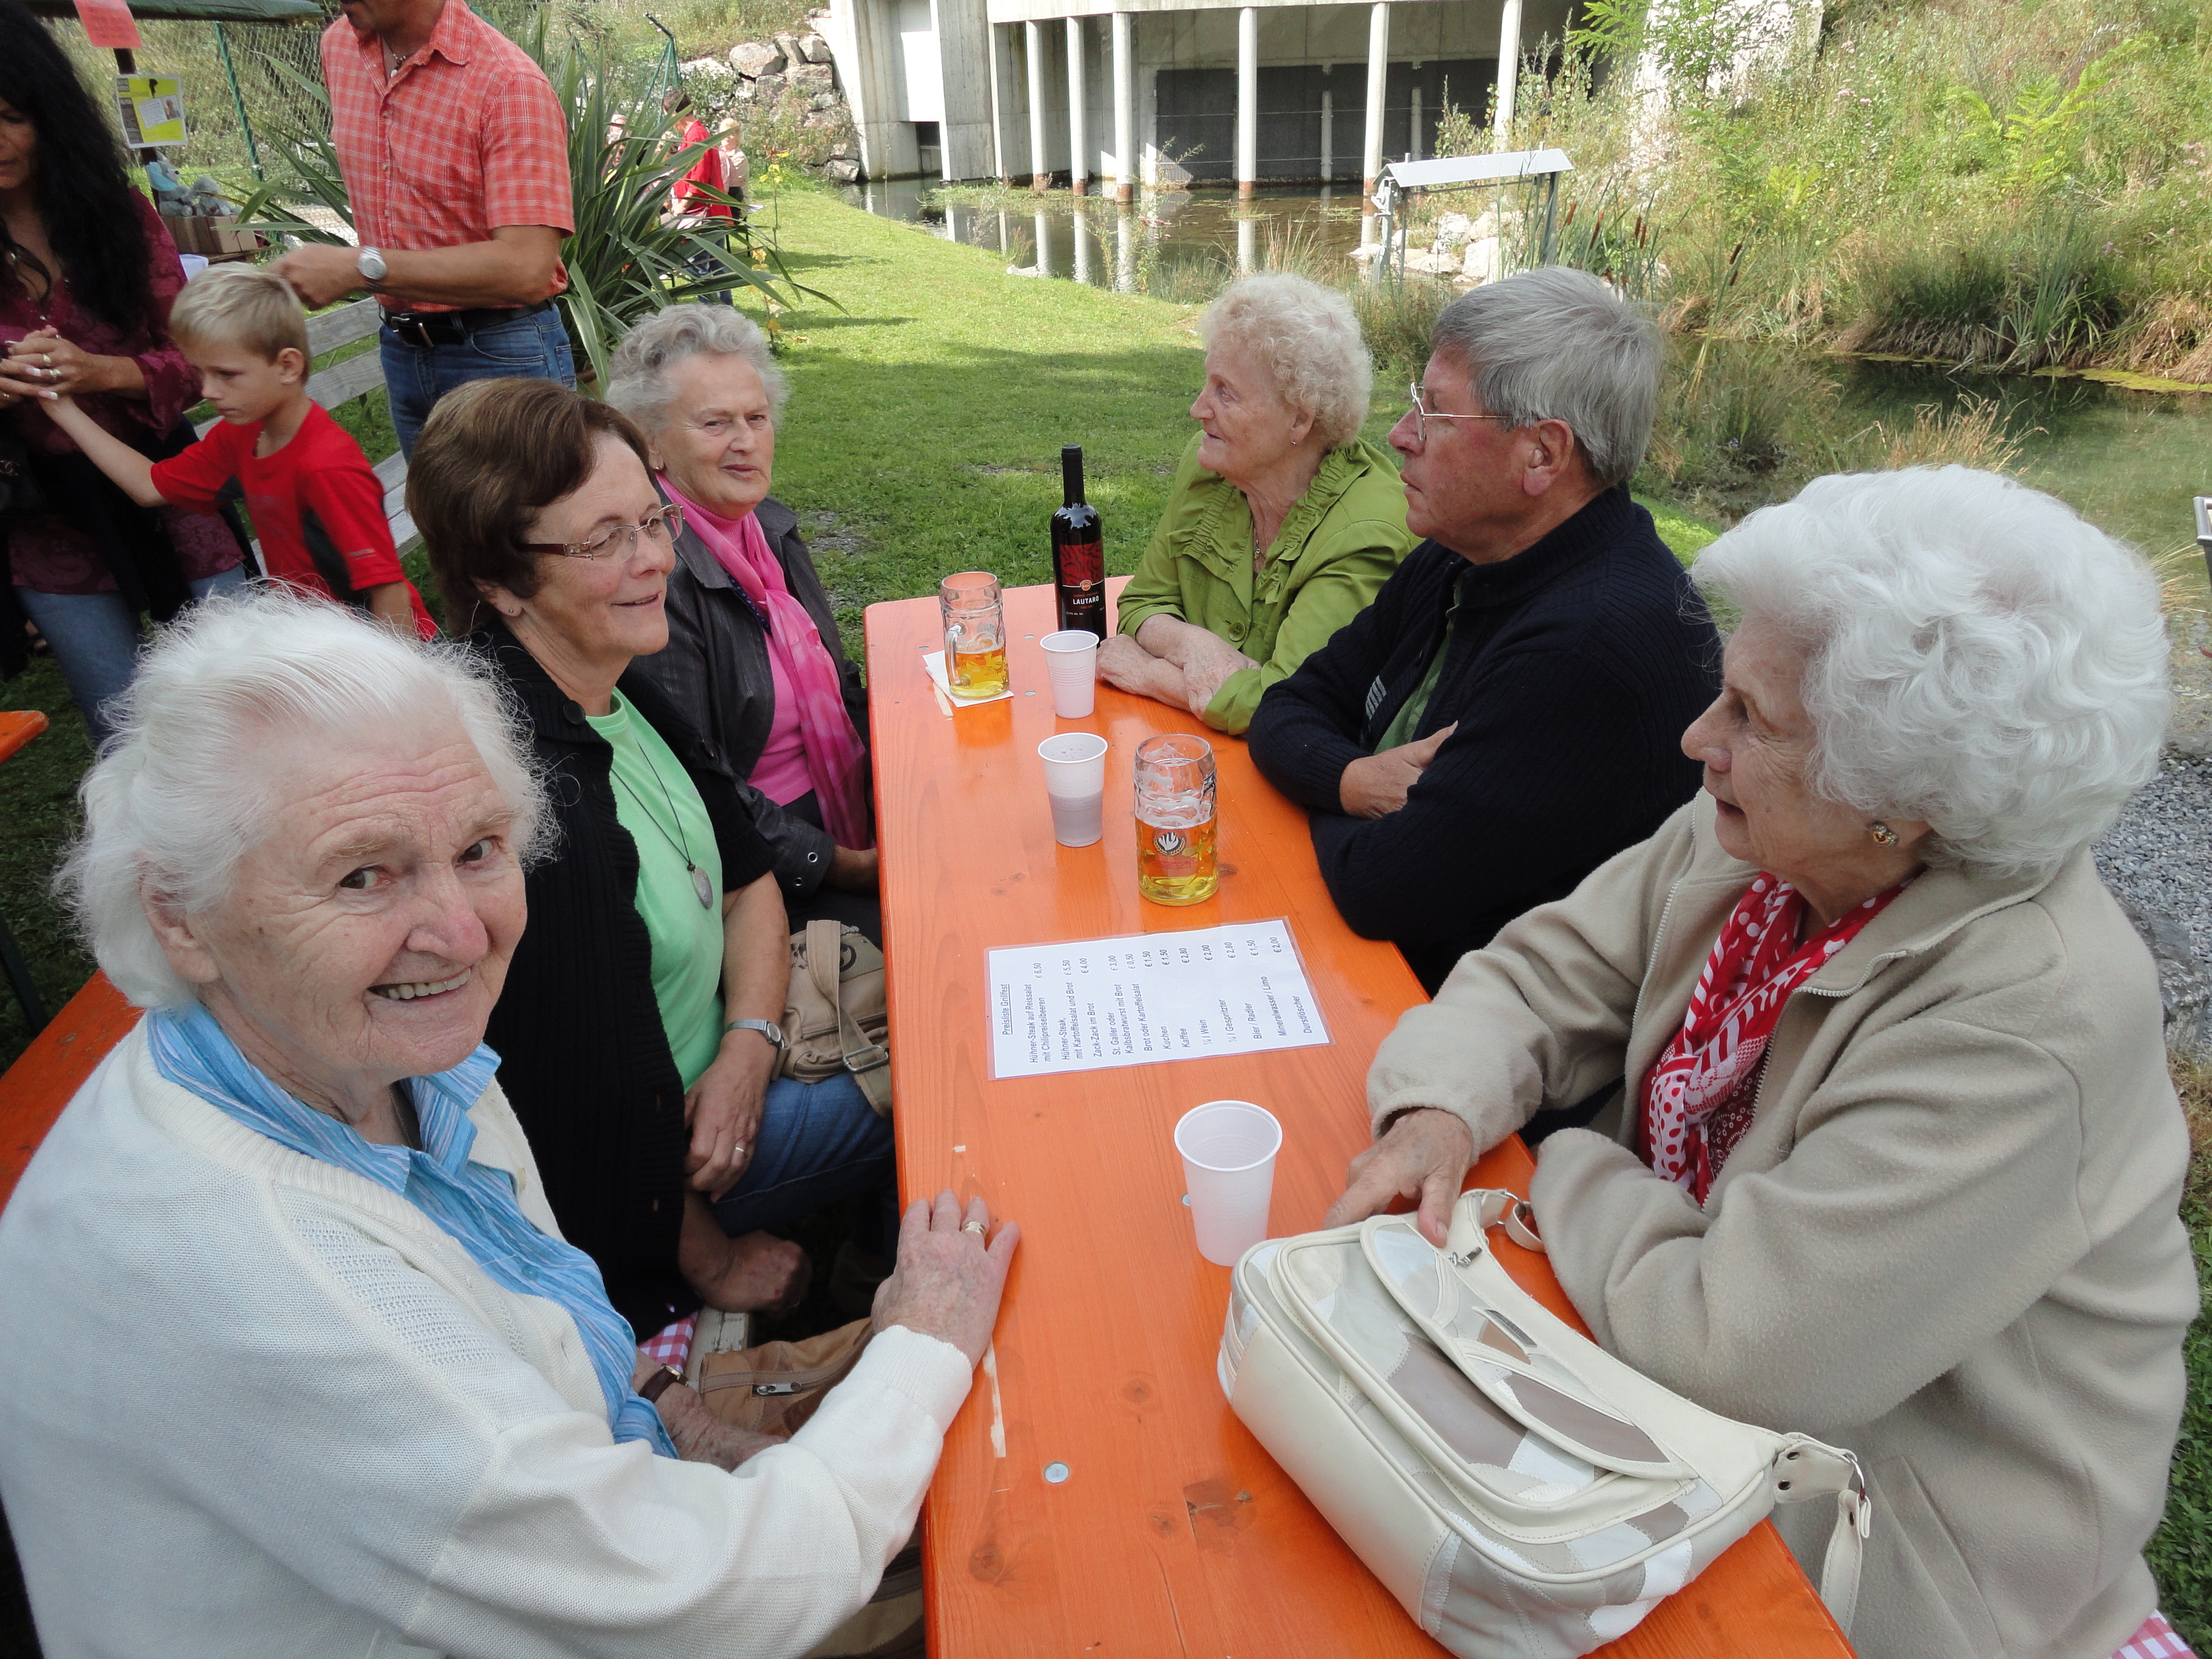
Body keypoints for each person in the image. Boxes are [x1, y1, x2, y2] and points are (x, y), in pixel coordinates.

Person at [0, 588, 1018, 1655]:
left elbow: (532, 1298)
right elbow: (703, 1606)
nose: (461, 931)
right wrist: (920, 1346)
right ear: (179, 914)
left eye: (481, 847)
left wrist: (681, 1415)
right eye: (362, 874)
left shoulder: (366, 1051)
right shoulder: (256, 1273)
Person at [1329, 467, 2199, 1659]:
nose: (1698, 740)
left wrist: (1547, 1165)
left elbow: (1736, 1349)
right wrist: (1439, 1108)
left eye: (1751, 717)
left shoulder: (2031, 1016)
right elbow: (1534, 976)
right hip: (1662, 1408)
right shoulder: (1760, 835)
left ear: (1903, 801)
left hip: (1887, 1562)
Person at [410, 375, 893, 1341]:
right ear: (499, 582)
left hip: (735, 1063)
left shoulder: (613, 683)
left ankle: (874, 1256)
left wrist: (748, 1044)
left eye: (651, 521)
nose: (654, 561)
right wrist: (710, 1260)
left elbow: (750, 879)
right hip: (671, 1170)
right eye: (603, 540)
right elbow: (565, 1114)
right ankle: (880, 1281)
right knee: (950, 1064)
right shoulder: (526, 801)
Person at [1247, 266, 1720, 994]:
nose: (1400, 436)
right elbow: (1288, 704)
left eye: (1436, 413)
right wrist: (1351, 780)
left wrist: (1313, 775)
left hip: (1484, 1029)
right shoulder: (1461, 555)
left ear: (1542, 455)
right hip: (1378, 967)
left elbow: (1382, 887)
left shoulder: (1587, 649)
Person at [0, 0, 246, 743]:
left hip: (171, 484)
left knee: (242, 695)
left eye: (11, 117)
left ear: (51, 118)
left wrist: (100, 372)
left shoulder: (122, 218)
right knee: (120, 721)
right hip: (44, 518)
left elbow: (201, 362)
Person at [607, 305, 879, 939]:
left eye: (757, 418)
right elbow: (700, 790)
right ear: (650, 444)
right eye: (715, 423)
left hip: (844, 799)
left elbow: (839, 680)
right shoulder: (657, 577)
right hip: (763, 868)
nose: (746, 441)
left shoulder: (765, 528)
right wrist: (844, 866)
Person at [44, 264, 436, 639]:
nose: (208, 391)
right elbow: (148, 486)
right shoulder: (242, 436)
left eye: (226, 374)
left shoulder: (327, 467)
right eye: (200, 373)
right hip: (315, 639)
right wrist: (61, 408)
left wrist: (387, 679)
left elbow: (387, 589)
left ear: (287, 366)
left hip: (379, 648)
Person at [1099, 272, 1413, 736]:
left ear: (1299, 419)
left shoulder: (1364, 533)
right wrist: (1195, 647)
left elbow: (1291, 703)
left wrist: (1150, 675)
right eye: (1207, 384)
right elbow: (1144, 601)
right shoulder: (1211, 467)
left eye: (1225, 392)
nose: (1198, 409)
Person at [269, 0, 575, 458]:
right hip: (400, 347)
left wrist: (359, 268)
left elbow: (526, 268)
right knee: (437, 507)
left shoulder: (509, 84)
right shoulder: (339, 48)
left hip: (501, 354)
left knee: (528, 509)